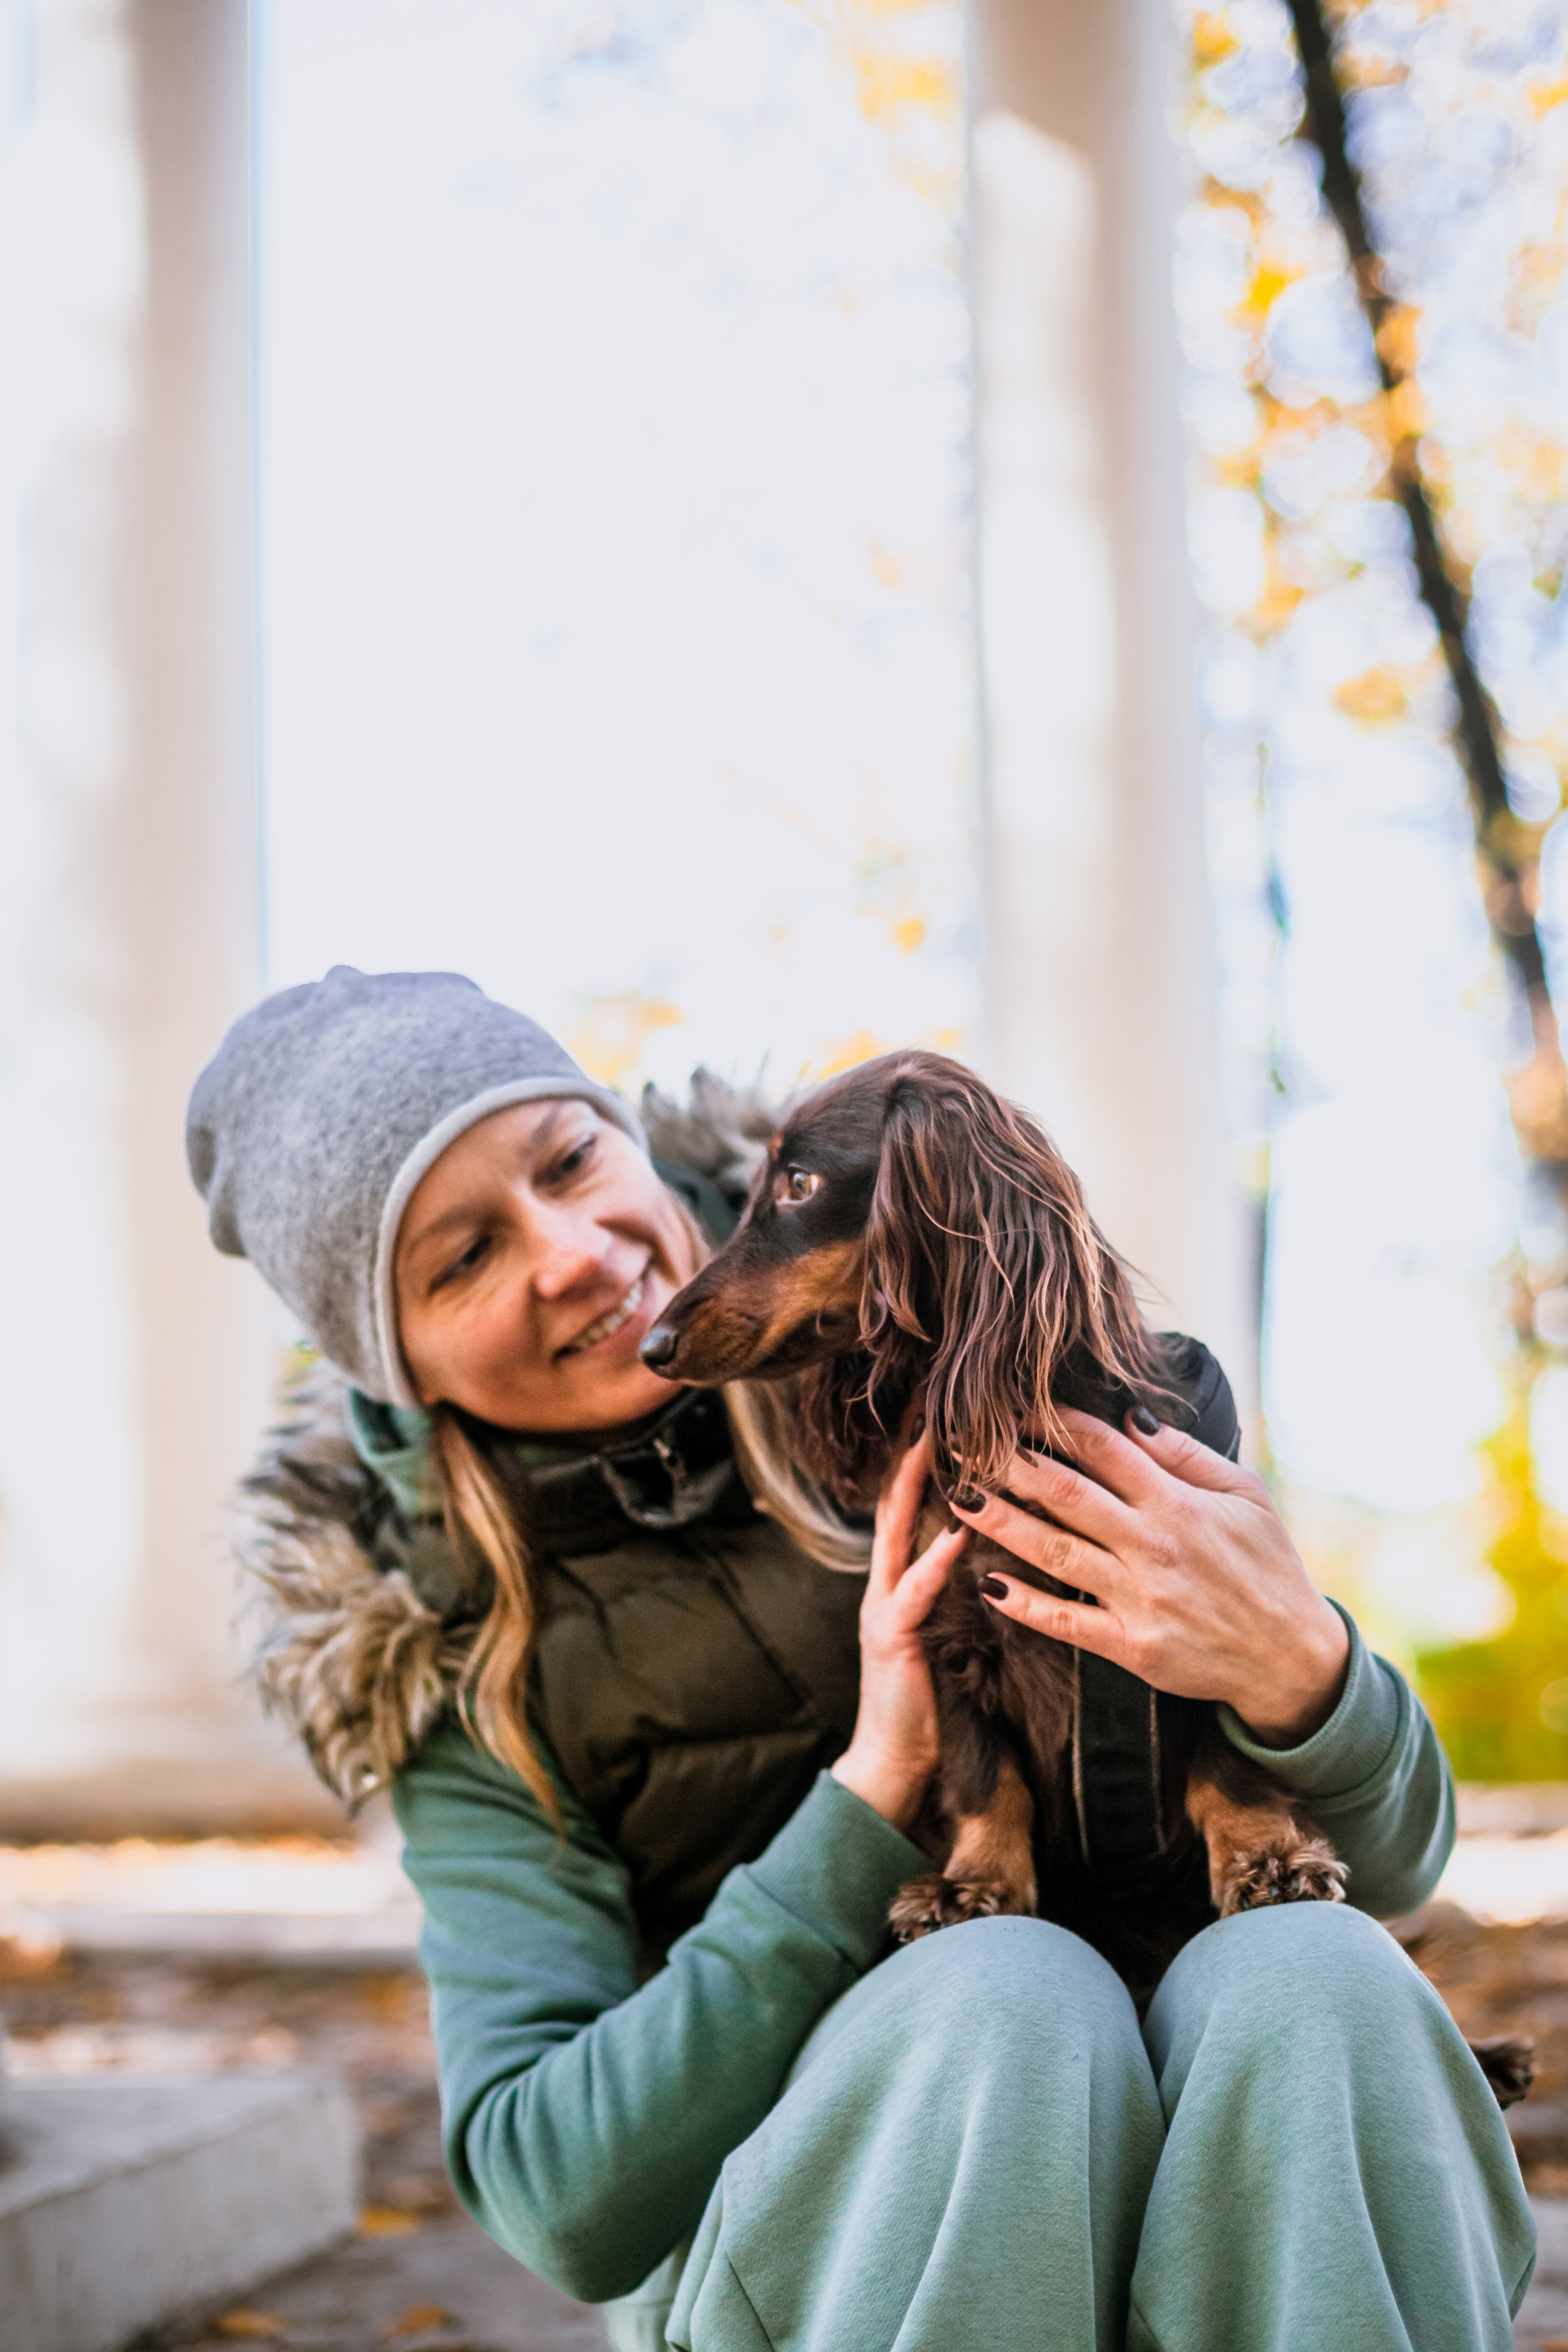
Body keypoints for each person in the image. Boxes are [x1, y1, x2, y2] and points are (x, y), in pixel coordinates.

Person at [188, 965, 1535, 2352]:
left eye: (569, 1158)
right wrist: (871, 1793)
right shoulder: (450, 1642)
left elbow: (1393, 1871)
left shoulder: (960, 1325)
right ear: (394, 1363)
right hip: (834, 2245)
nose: (574, 1251)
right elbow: (555, 2199)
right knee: (1007, 1996)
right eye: (461, 1258)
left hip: (1201, 2158)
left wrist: (1297, 1670)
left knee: (1317, 1977)